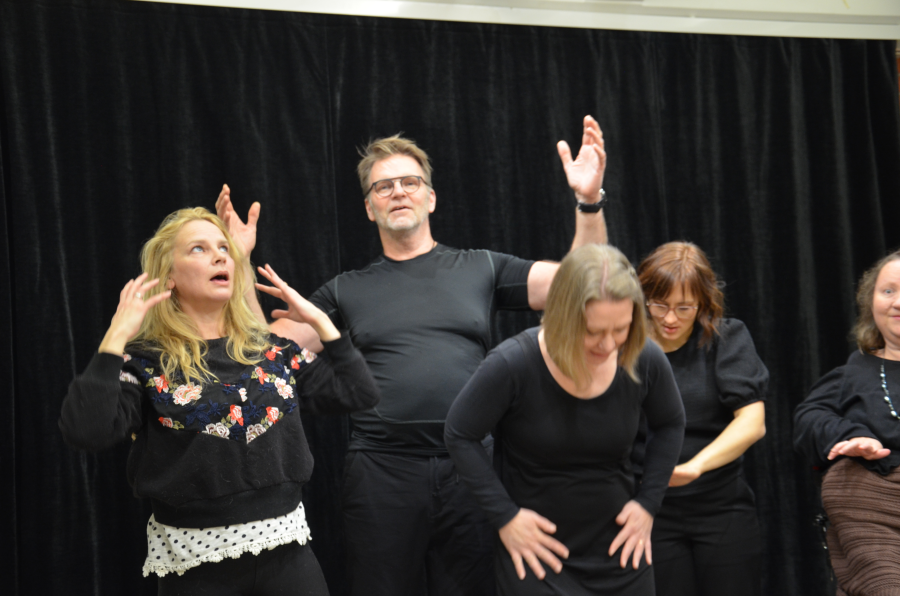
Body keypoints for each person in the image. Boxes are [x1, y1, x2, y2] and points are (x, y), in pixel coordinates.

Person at [216, 115, 610, 596]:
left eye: (410, 182)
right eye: (383, 187)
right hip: (382, 475)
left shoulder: (481, 267)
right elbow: (261, 354)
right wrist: (238, 259)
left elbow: (585, 285)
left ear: (431, 197)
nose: (398, 192)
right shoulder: (345, 290)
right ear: (369, 208)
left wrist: (588, 202)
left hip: (470, 468)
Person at [58, 207, 379, 595]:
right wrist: (116, 335)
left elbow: (359, 392)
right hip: (196, 566)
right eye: (199, 248)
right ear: (169, 276)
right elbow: (86, 430)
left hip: (288, 557)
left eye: (224, 248)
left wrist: (321, 323)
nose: (219, 256)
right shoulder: (144, 362)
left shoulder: (272, 351)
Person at [444, 243, 685, 595]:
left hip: (620, 550)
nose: (608, 345)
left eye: (620, 329)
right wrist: (505, 517)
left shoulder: (643, 357)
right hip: (538, 554)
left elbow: (670, 424)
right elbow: (459, 433)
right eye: (593, 331)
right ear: (563, 317)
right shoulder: (513, 363)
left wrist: (649, 503)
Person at [635, 241, 768, 596]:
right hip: (650, 511)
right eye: (659, 305)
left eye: (684, 307)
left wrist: (695, 467)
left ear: (703, 303)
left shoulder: (726, 338)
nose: (670, 318)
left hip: (721, 507)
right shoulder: (624, 347)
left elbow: (752, 422)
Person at [794, 250, 900, 596]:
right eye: (888, 291)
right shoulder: (853, 372)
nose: (898, 302)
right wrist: (854, 436)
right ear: (871, 302)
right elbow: (809, 418)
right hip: (870, 506)